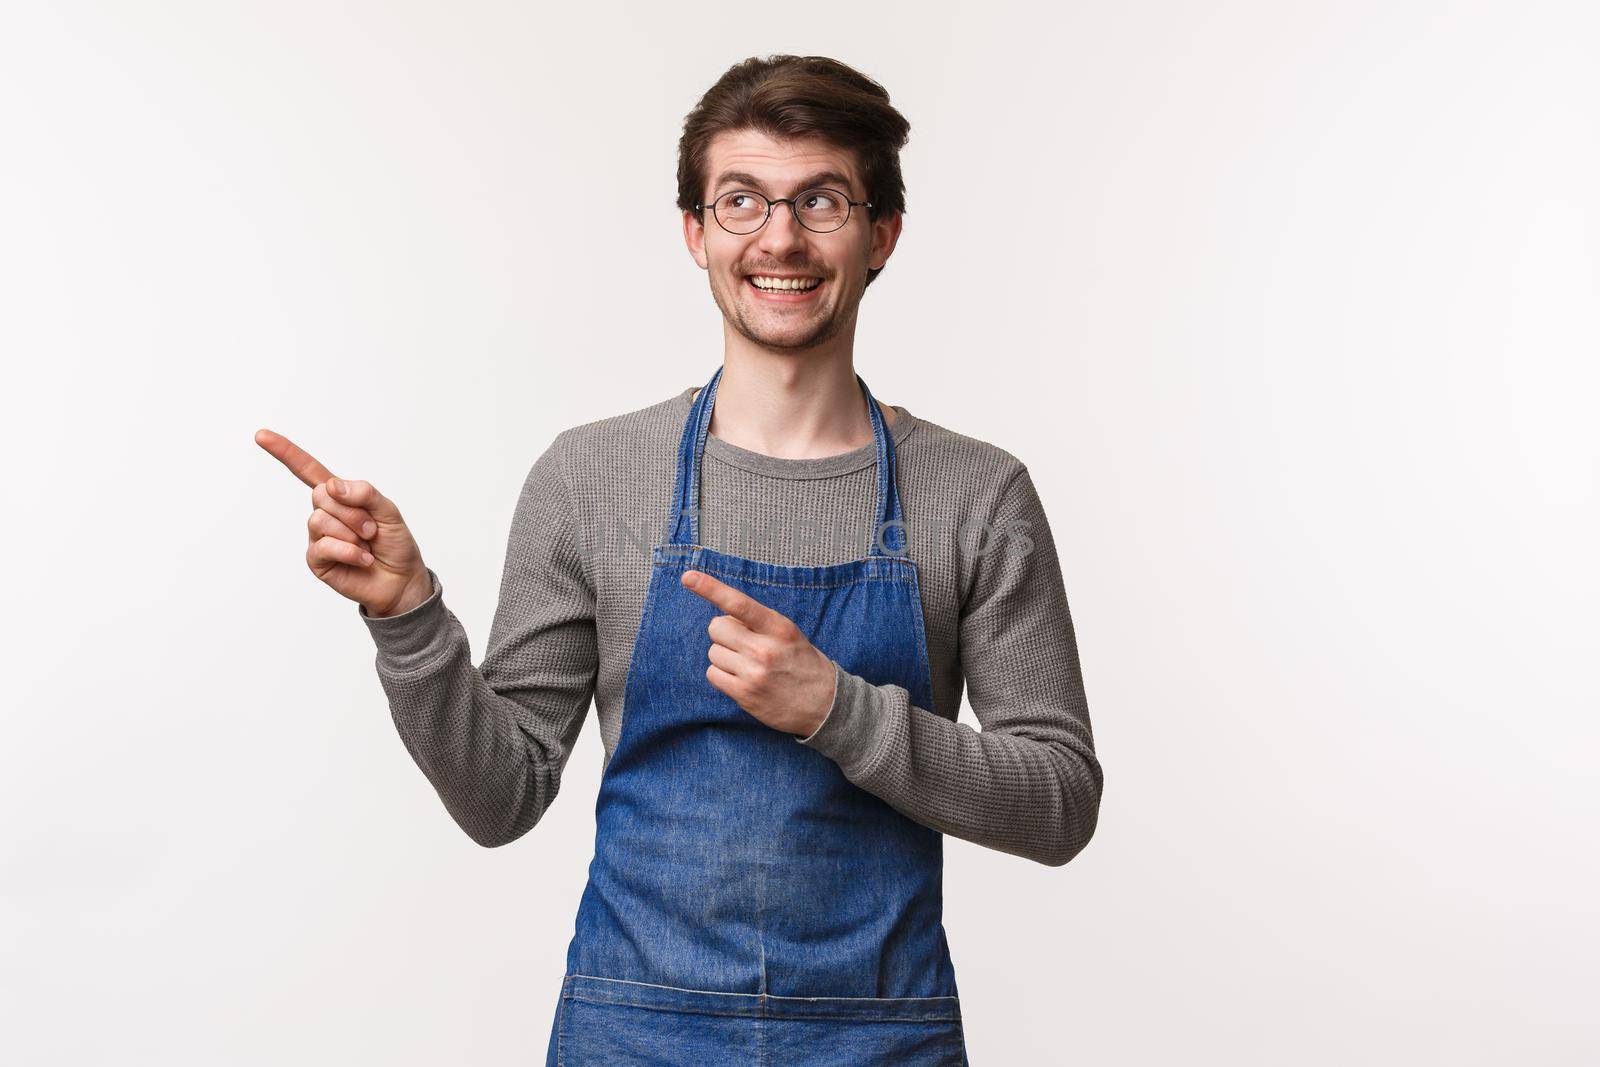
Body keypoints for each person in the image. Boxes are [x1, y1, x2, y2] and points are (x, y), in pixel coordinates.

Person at [257, 54, 1102, 1067]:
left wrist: (840, 709)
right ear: (696, 232)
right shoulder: (589, 476)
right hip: (631, 1035)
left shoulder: (976, 494)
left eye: (820, 201)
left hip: (880, 1041)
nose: (778, 237)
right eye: (740, 201)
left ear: (881, 234)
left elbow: (1058, 801)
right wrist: (407, 617)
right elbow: (501, 797)